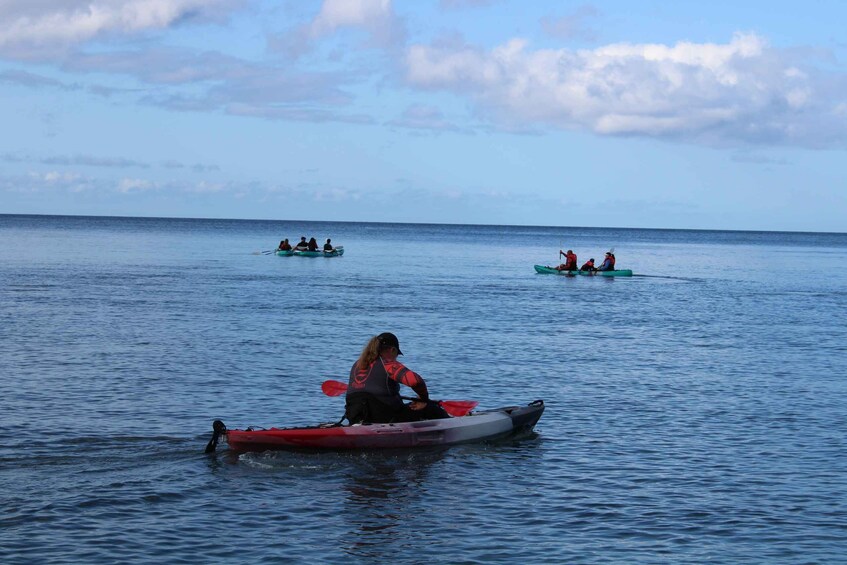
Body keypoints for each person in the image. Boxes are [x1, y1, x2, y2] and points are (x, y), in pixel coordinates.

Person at [345, 332, 449, 424]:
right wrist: (424, 399)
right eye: (397, 354)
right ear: (392, 350)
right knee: (432, 409)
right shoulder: (388, 364)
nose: (396, 358)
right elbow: (415, 381)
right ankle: (452, 425)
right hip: (384, 418)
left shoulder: (357, 365)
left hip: (356, 416)